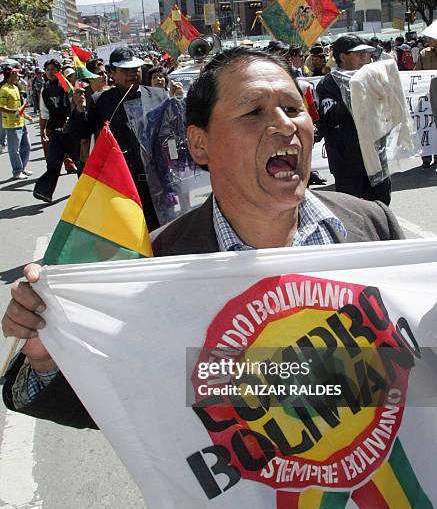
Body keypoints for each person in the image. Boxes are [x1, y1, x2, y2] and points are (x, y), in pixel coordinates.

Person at [1, 47, 404, 427]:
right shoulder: (154, 267)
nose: (284, 124)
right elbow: (120, 404)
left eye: (294, 108)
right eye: (253, 112)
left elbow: (413, 370)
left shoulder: (373, 228)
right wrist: (51, 356)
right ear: (199, 143)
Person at [68, 47, 182, 232]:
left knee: (163, 235)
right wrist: (79, 109)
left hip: (158, 183)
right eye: (125, 70)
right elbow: (79, 132)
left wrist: (178, 102)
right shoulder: (100, 100)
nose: (132, 74)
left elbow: (176, 133)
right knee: (130, 236)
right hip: (121, 185)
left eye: (135, 69)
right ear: (112, 73)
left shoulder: (158, 95)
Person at [316, 35, 392, 205]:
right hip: (347, 162)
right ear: (342, 57)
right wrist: (357, 94)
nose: (364, 57)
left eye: (366, 53)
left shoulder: (373, 79)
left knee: (382, 205)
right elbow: (332, 116)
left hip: (375, 158)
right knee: (352, 212)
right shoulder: (328, 84)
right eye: (358, 53)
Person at [32, 59, 80, 203]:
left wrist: (71, 120)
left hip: (71, 132)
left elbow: (74, 103)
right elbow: (44, 113)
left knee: (80, 162)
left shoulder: (66, 85)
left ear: (58, 71)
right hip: (56, 133)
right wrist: (43, 131)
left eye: (53, 69)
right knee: (53, 163)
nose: (50, 72)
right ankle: (44, 192)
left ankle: (87, 191)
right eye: (47, 70)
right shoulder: (44, 89)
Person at [0, 67, 32, 180]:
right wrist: (15, 111)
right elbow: (1, 107)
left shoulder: (15, 87)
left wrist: (26, 116)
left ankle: (22, 167)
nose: (18, 76)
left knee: (27, 146)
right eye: (16, 74)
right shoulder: (4, 89)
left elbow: (19, 107)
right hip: (11, 124)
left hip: (21, 122)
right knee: (14, 150)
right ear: (11, 74)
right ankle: (17, 171)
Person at [414, 20, 437, 168]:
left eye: (431, 38)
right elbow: (416, 74)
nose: (428, 40)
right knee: (426, 126)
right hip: (428, 96)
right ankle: (426, 156)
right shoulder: (424, 53)